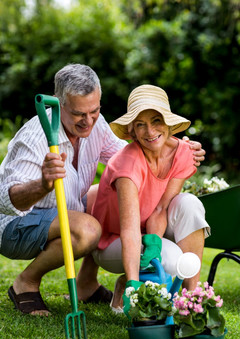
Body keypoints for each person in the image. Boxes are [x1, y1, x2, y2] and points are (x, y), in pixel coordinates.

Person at [0, 64, 205, 316]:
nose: (88, 121)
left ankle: (86, 283)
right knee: (88, 229)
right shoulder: (36, 138)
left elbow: (130, 157)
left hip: (64, 214)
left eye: (94, 111)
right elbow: (7, 201)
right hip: (16, 227)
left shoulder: (95, 126)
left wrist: (173, 147)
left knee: (102, 191)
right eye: (79, 114)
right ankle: (26, 283)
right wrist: (42, 184)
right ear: (59, 105)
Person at [91, 84, 210, 313]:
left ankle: (190, 298)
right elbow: (129, 229)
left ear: (168, 123)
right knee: (173, 259)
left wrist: (153, 242)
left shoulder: (182, 153)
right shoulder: (127, 163)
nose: (149, 131)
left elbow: (161, 208)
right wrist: (134, 286)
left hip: (151, 227)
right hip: (112, 241)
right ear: (132, 132)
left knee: (190, 204)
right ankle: (127, 282)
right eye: (140, 125)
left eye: (156, 121)